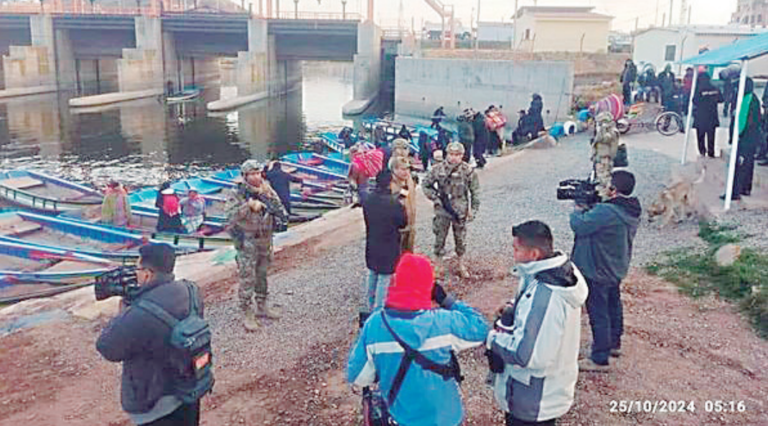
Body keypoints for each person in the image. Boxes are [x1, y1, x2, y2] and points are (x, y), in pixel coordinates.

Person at [347, 253, 489, 426]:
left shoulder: (375, 325)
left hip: (403, 419)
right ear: (429, 288)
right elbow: (481, 328)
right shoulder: (443, 322)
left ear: (395, 282)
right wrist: (447, 300)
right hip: (447, 418)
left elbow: (358, 377)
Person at [486, 220, 587, 426]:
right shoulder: (557, 272)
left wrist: (491, 338)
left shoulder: (546, 295)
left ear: (533, 254)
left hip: (533, 400)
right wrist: (516, 307)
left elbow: (527, 355)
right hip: (547, 390)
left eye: (516, 249)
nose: (513, 254)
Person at [96, 243, 209, 426]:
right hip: (188, 390)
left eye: (138, 269)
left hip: (156, 406)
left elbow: (107, 347)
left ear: (148, 274)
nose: (135, 274)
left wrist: (124, 310)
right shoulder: (191, 291)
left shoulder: (140, 313)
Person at [570, 171, 641, 371]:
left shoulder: (607, 212)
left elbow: (579, 225)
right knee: (613, 305)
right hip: (614, 268)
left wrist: (578, 209)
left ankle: (599, 357)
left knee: (598, 311)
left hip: (597, 269)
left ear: (613, 190)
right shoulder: (630, 209)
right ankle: (613, 343)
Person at [225, 160, 288, 331]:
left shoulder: (266, 189)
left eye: (257, 173)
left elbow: (278, 207)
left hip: (265, 238)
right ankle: (247, 312)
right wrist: (248, 206)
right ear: (245, 176)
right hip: (247, 241)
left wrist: (280, 216)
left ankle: (262, 305)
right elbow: (230, 217)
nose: (255, 177)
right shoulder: (237, 193)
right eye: (251, 174)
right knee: (248, 277)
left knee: (262, 273)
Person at [422, 142, 480, 279]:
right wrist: (435, 198)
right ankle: (438, 265)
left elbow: (475, 191)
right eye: (451, 154)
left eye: (457, 155)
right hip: (443, 208)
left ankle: (461, 264)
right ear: (446, 154)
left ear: (462, 155)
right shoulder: (438, 169)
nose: (454, 158)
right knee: (439, 237)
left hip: (460, 208)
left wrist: (473, 209)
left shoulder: (468, 170)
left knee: (460, 239)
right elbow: (426, 184)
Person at [359, 171, 407, 327]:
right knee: (384, 277)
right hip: (388, 244)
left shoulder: (368, 199)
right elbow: (402, 222)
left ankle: (370, 306)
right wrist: (403, 200)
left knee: (372, 273)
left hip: (372, 242)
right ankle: (378, 314)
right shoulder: (393, 204)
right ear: (389, 183)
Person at [723, 77, 761, 200]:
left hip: (745, 138)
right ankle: (745, 188)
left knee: (740, 164)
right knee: (748, 164)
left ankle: (735, 192)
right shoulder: (752, 98)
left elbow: (742, 122)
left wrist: (735, 135)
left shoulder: (747, 99)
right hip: (752, 138)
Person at [692, 72, 723, 158]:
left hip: (701, 116)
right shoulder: (715, 88)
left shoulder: (698, 89)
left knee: (700, 135)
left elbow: (694, 101)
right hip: (712, 116)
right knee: (711, 136)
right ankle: (711, 152)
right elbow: (721, 99)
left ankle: (702, 151)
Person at [389, 155, 416, 252]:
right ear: (394, 170)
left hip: (410, 224)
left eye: (407, 169)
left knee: (409, 251)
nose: (406, 172)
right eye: (402, 169)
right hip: (398, 228)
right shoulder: (390, 185)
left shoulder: (409, 181)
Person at [592, 112, 621, 200]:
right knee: (600, 176)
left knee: (604, 178)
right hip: (600, 156)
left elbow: (603, 139)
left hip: (605, 157)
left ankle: (605, 197)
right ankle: (602, 194)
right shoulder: (609, 130)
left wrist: (602, 129)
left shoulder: (611, 131)